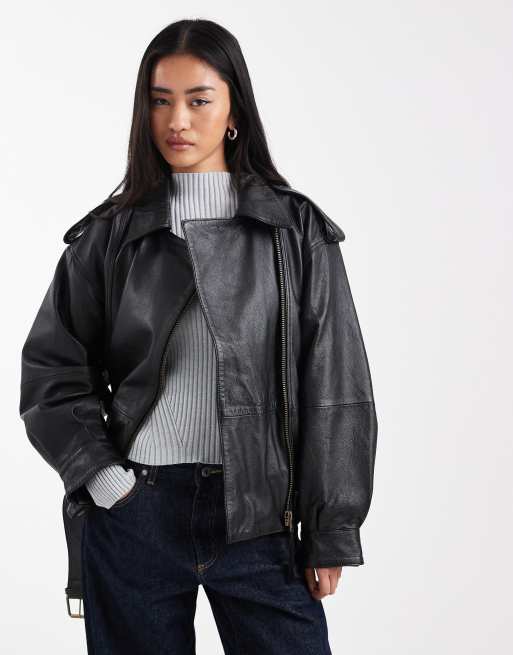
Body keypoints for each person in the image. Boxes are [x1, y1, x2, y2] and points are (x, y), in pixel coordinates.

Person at [19, 18, 378, 655]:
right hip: (137, 512)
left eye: (199, 100)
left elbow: (336, 384)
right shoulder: (108, 237)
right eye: (160, 101)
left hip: (261, 518)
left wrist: (331, 530)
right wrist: (105, 480)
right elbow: (52, 372)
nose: (177, 120)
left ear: (234, 109)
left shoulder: (294, 230)